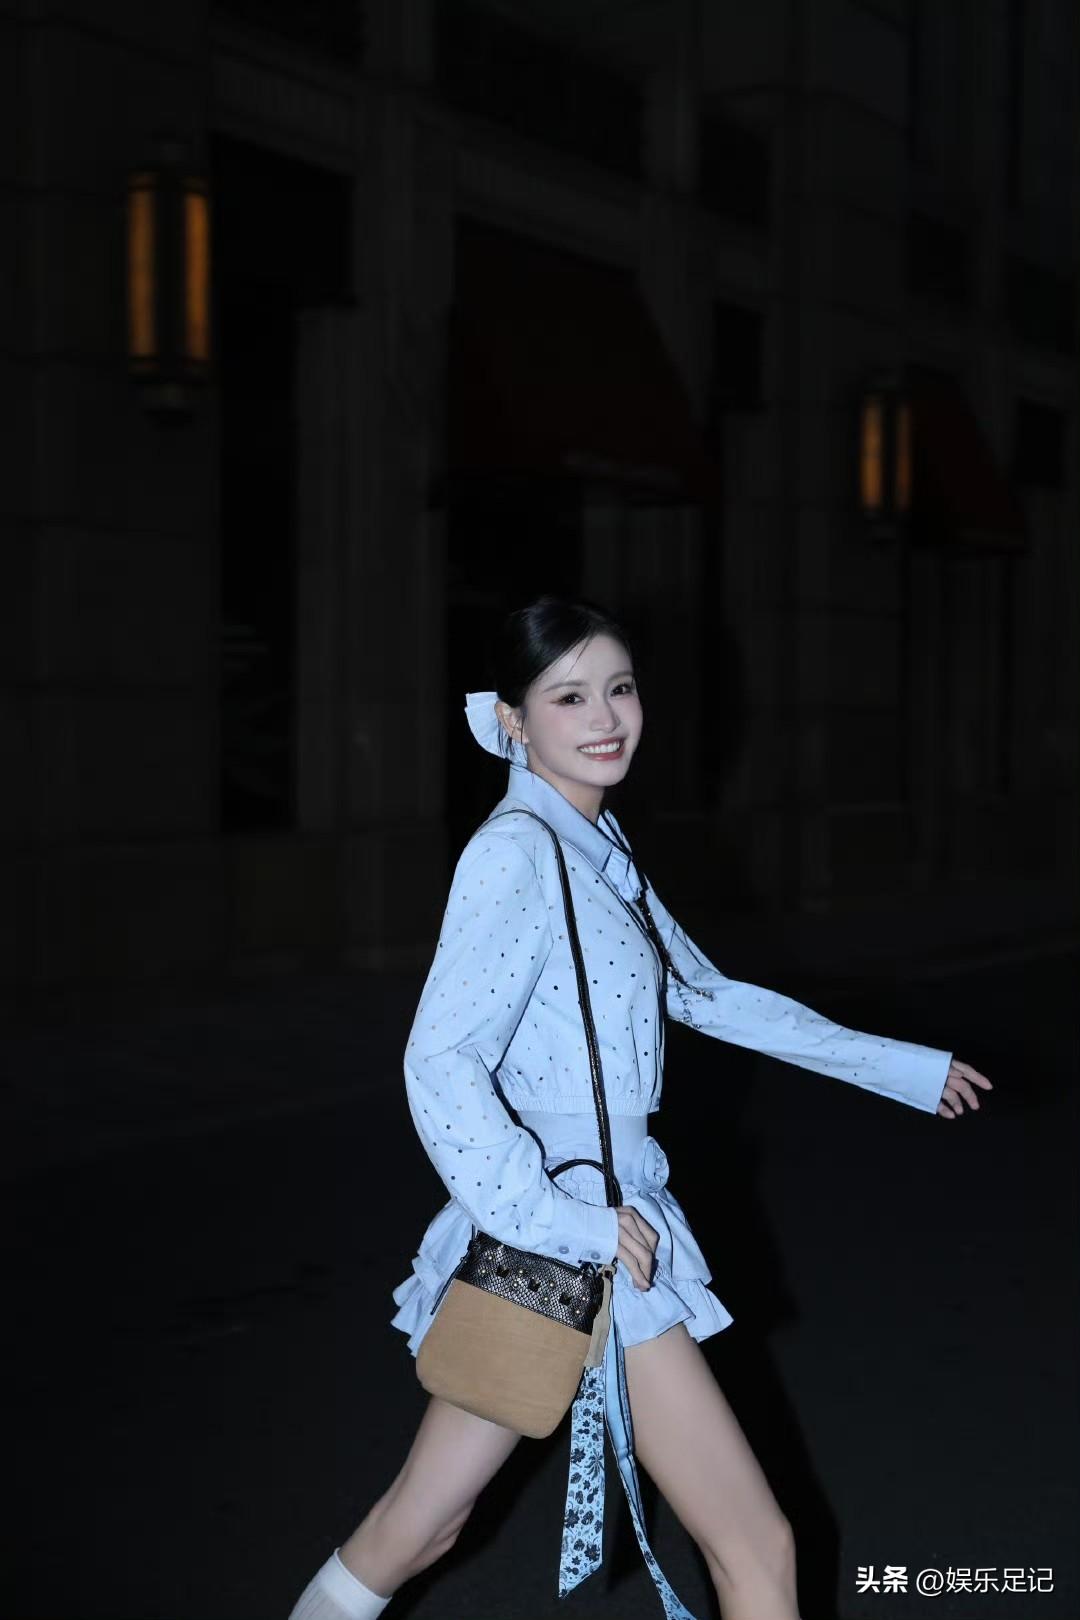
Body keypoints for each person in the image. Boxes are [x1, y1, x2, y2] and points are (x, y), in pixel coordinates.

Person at [286, 594, 993, 1620]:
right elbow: (440, 1061)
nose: (606, 717)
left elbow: (704, 995)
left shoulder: (594, 844)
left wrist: (902, 1068)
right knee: (440, 1528)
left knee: (459, 1528)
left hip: (612, 1230)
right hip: (566, 1229)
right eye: (569, 696)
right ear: (513, 720)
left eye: (618, 688)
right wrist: (561, 1221)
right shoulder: (516, 852)